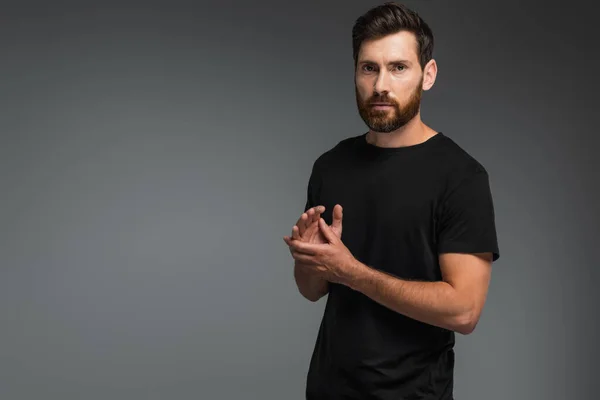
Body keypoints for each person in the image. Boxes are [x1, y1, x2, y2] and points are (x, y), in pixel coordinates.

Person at [282, 2, 500, 399]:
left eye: (398, 67)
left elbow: (464, 311)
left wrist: (351, 272)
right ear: (356, 73)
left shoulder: (461, 176)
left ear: (427, 75)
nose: (381, 84)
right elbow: (312, 290)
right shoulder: (331, 165)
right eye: (370, 68)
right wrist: (309, 261)